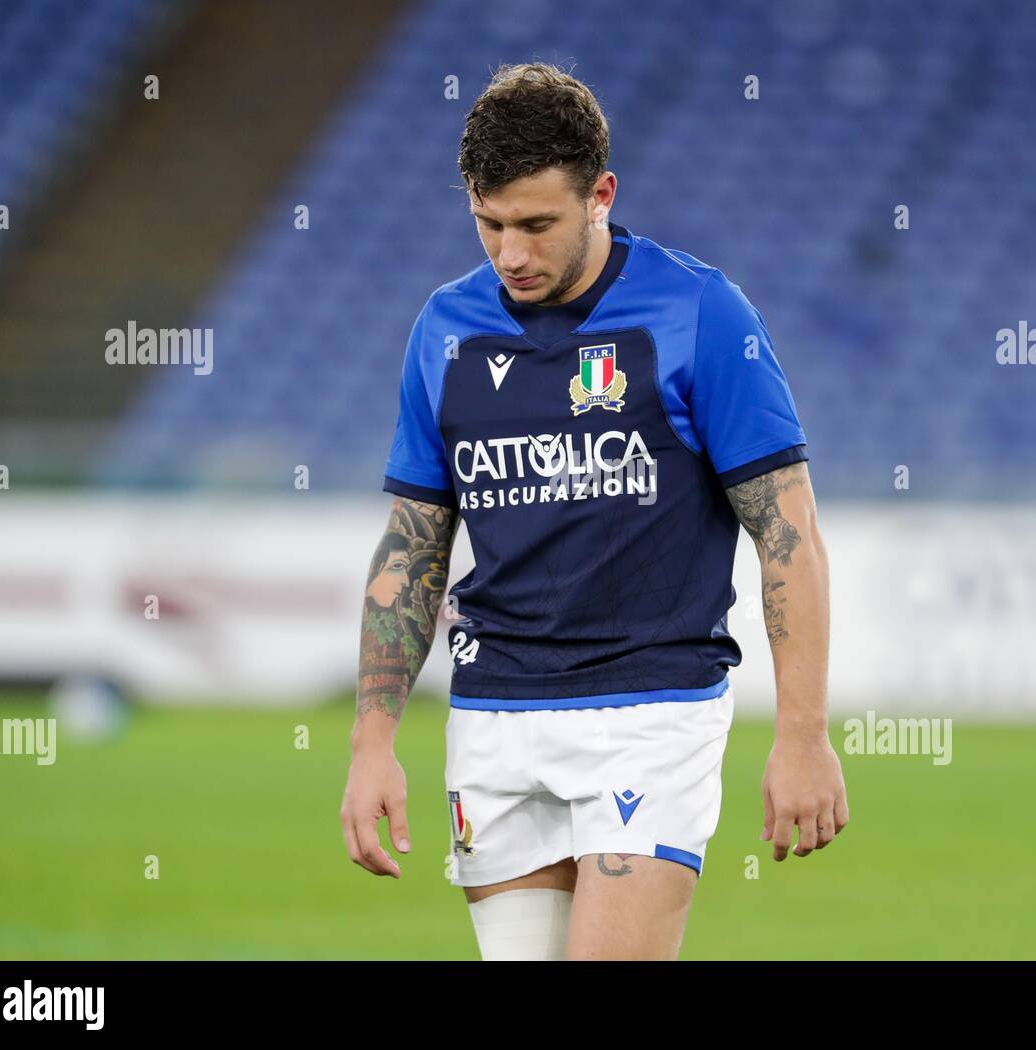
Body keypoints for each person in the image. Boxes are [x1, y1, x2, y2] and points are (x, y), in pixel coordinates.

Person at [340, 62, 847, 960]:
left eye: (538, 224)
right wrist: (371, 744)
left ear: (601, 195)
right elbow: (413, 549)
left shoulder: (699, 313)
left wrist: (803, 737)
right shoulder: (444, 330)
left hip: (650, 713)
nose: (513, 255)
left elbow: (787, 531)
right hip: (494, 718)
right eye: (490, 225)